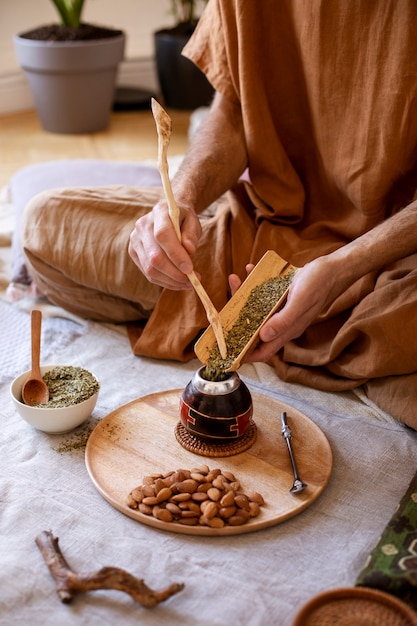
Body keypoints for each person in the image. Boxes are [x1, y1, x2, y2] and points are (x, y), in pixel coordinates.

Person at [22, 0, 417, 428]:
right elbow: (231, 108)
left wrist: (343, 268)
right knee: (45, 223)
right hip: (258, 235)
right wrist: (182, 201)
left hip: (391, 260)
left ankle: (300, 328)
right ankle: (318, 339)